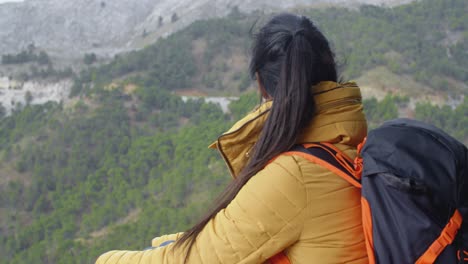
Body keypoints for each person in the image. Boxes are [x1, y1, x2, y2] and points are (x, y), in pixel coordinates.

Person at [96, 13, 368, 264]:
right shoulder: (351, 145)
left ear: (261, 84)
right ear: (332, 76)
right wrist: (163, 243)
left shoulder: (295, 175)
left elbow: (196, 260)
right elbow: (219, 241)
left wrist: (105, 259)